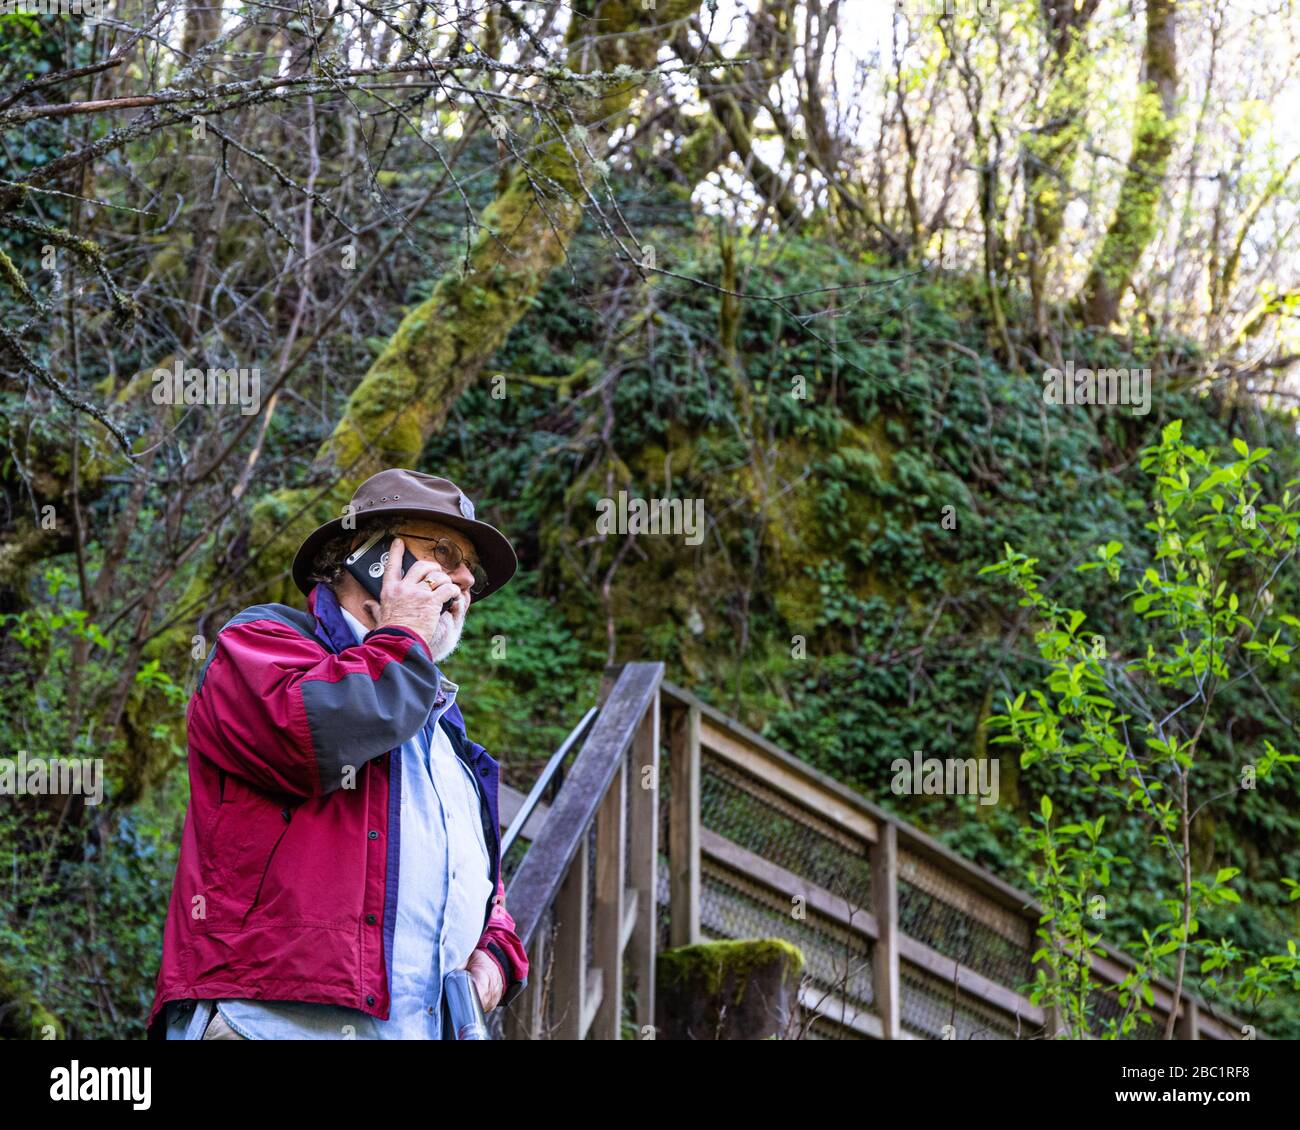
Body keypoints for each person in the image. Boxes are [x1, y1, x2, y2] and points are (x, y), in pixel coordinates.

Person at [145, 469, 528, 1039]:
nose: (466, 579)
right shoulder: (257, 646)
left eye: (469, 568)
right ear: (369, 557)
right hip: (270, 1026)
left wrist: (495, 960)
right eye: (444, 553)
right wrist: (404, 638)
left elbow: (482, 890)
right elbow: (316, 735)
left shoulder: (444, 730)